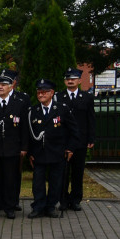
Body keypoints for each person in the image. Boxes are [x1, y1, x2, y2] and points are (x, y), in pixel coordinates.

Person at [24, 79, 79, 217]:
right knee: (38, 183)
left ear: (51, 93)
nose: (41, 95)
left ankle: (51, 206)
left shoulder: (62, 109)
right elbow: (28, 134)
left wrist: (70, 148)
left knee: (56, 182)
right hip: (39, 153)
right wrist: (30, 152)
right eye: (39, 92)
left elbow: (74, 131)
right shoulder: (32, 111)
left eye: (44, 92)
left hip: (57, 152)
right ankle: (38, 207)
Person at [0, 71, 26, 219]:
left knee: (10, 179)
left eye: (3, 85)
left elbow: (24, 127)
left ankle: (9, 207)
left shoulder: (19, 103)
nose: (0, 87)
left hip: (12, 147)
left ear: (10, 86)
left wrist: (24, 147)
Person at [61, 67, 95, 211]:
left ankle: (76, 200)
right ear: (64, 81)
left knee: (77, 172)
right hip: (63, 141)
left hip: (80, 141)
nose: (70, 81)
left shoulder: (86, 97)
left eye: (73, 78)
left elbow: (90, 119)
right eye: (68, 78)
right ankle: (62, 199)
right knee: (63, 173)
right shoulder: (58, 97)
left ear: (80, 81)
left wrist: (91, 138)